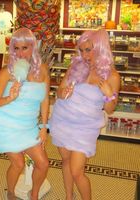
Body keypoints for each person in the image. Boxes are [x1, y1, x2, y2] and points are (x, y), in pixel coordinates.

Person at [49, 29, 120, 200]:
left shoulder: (112, 76)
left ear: (101, 48)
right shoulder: (75, 66)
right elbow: (59, 91)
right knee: (65, 161)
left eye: (89, 49)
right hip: (62, 119)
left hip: (85, 127)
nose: (84, 55)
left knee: (77, 171)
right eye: (81, 50)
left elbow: (110, 109)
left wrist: (108, 93)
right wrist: (63, 92)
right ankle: (68, 196)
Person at [0, 27, 50, 200]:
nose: (21, 53)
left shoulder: (43, 70)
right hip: (5, 124)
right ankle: (11, 192)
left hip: (28, 126)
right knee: (18, 163)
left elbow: (45, 100)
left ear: (33, 48)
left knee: (43, 164)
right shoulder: (7, 72)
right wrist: (10, 98)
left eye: (25, 48)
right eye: (17, 48)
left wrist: (43, 127)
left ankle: (34, 194)